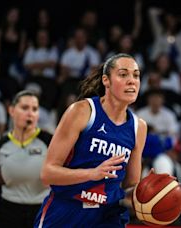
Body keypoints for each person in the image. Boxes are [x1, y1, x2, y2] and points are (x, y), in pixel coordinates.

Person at [34, 53, 147, 227]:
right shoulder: (82, 112)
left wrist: (151, 189)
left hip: (107, 215)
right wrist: (92, 173)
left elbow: (130, 184)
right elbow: (47, 173)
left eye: (136, 75)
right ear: (106, 80)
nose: (132, 81)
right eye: (123, 74)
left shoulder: (139, 127)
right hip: (67, 210)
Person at [0, 90, 52, 228]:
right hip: (9, 211)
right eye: (25, 108)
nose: (30, 113)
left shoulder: (50, 142)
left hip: (42, 209)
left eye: (35, 109)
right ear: (12, 110)